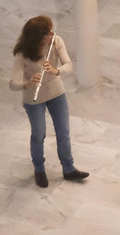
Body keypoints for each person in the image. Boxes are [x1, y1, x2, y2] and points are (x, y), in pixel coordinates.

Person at [9, 15, 89, 188]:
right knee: (39, 134)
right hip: (33, 98)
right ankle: (39, 169)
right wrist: (27, 83)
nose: (51, 34)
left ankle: (68, 168)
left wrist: (55, 70)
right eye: (47, 33)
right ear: (37, 37)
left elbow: (68, 64)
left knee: (63, 132)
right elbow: (12, 84)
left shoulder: (56, 41)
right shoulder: (23, 53)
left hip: (56, 92)